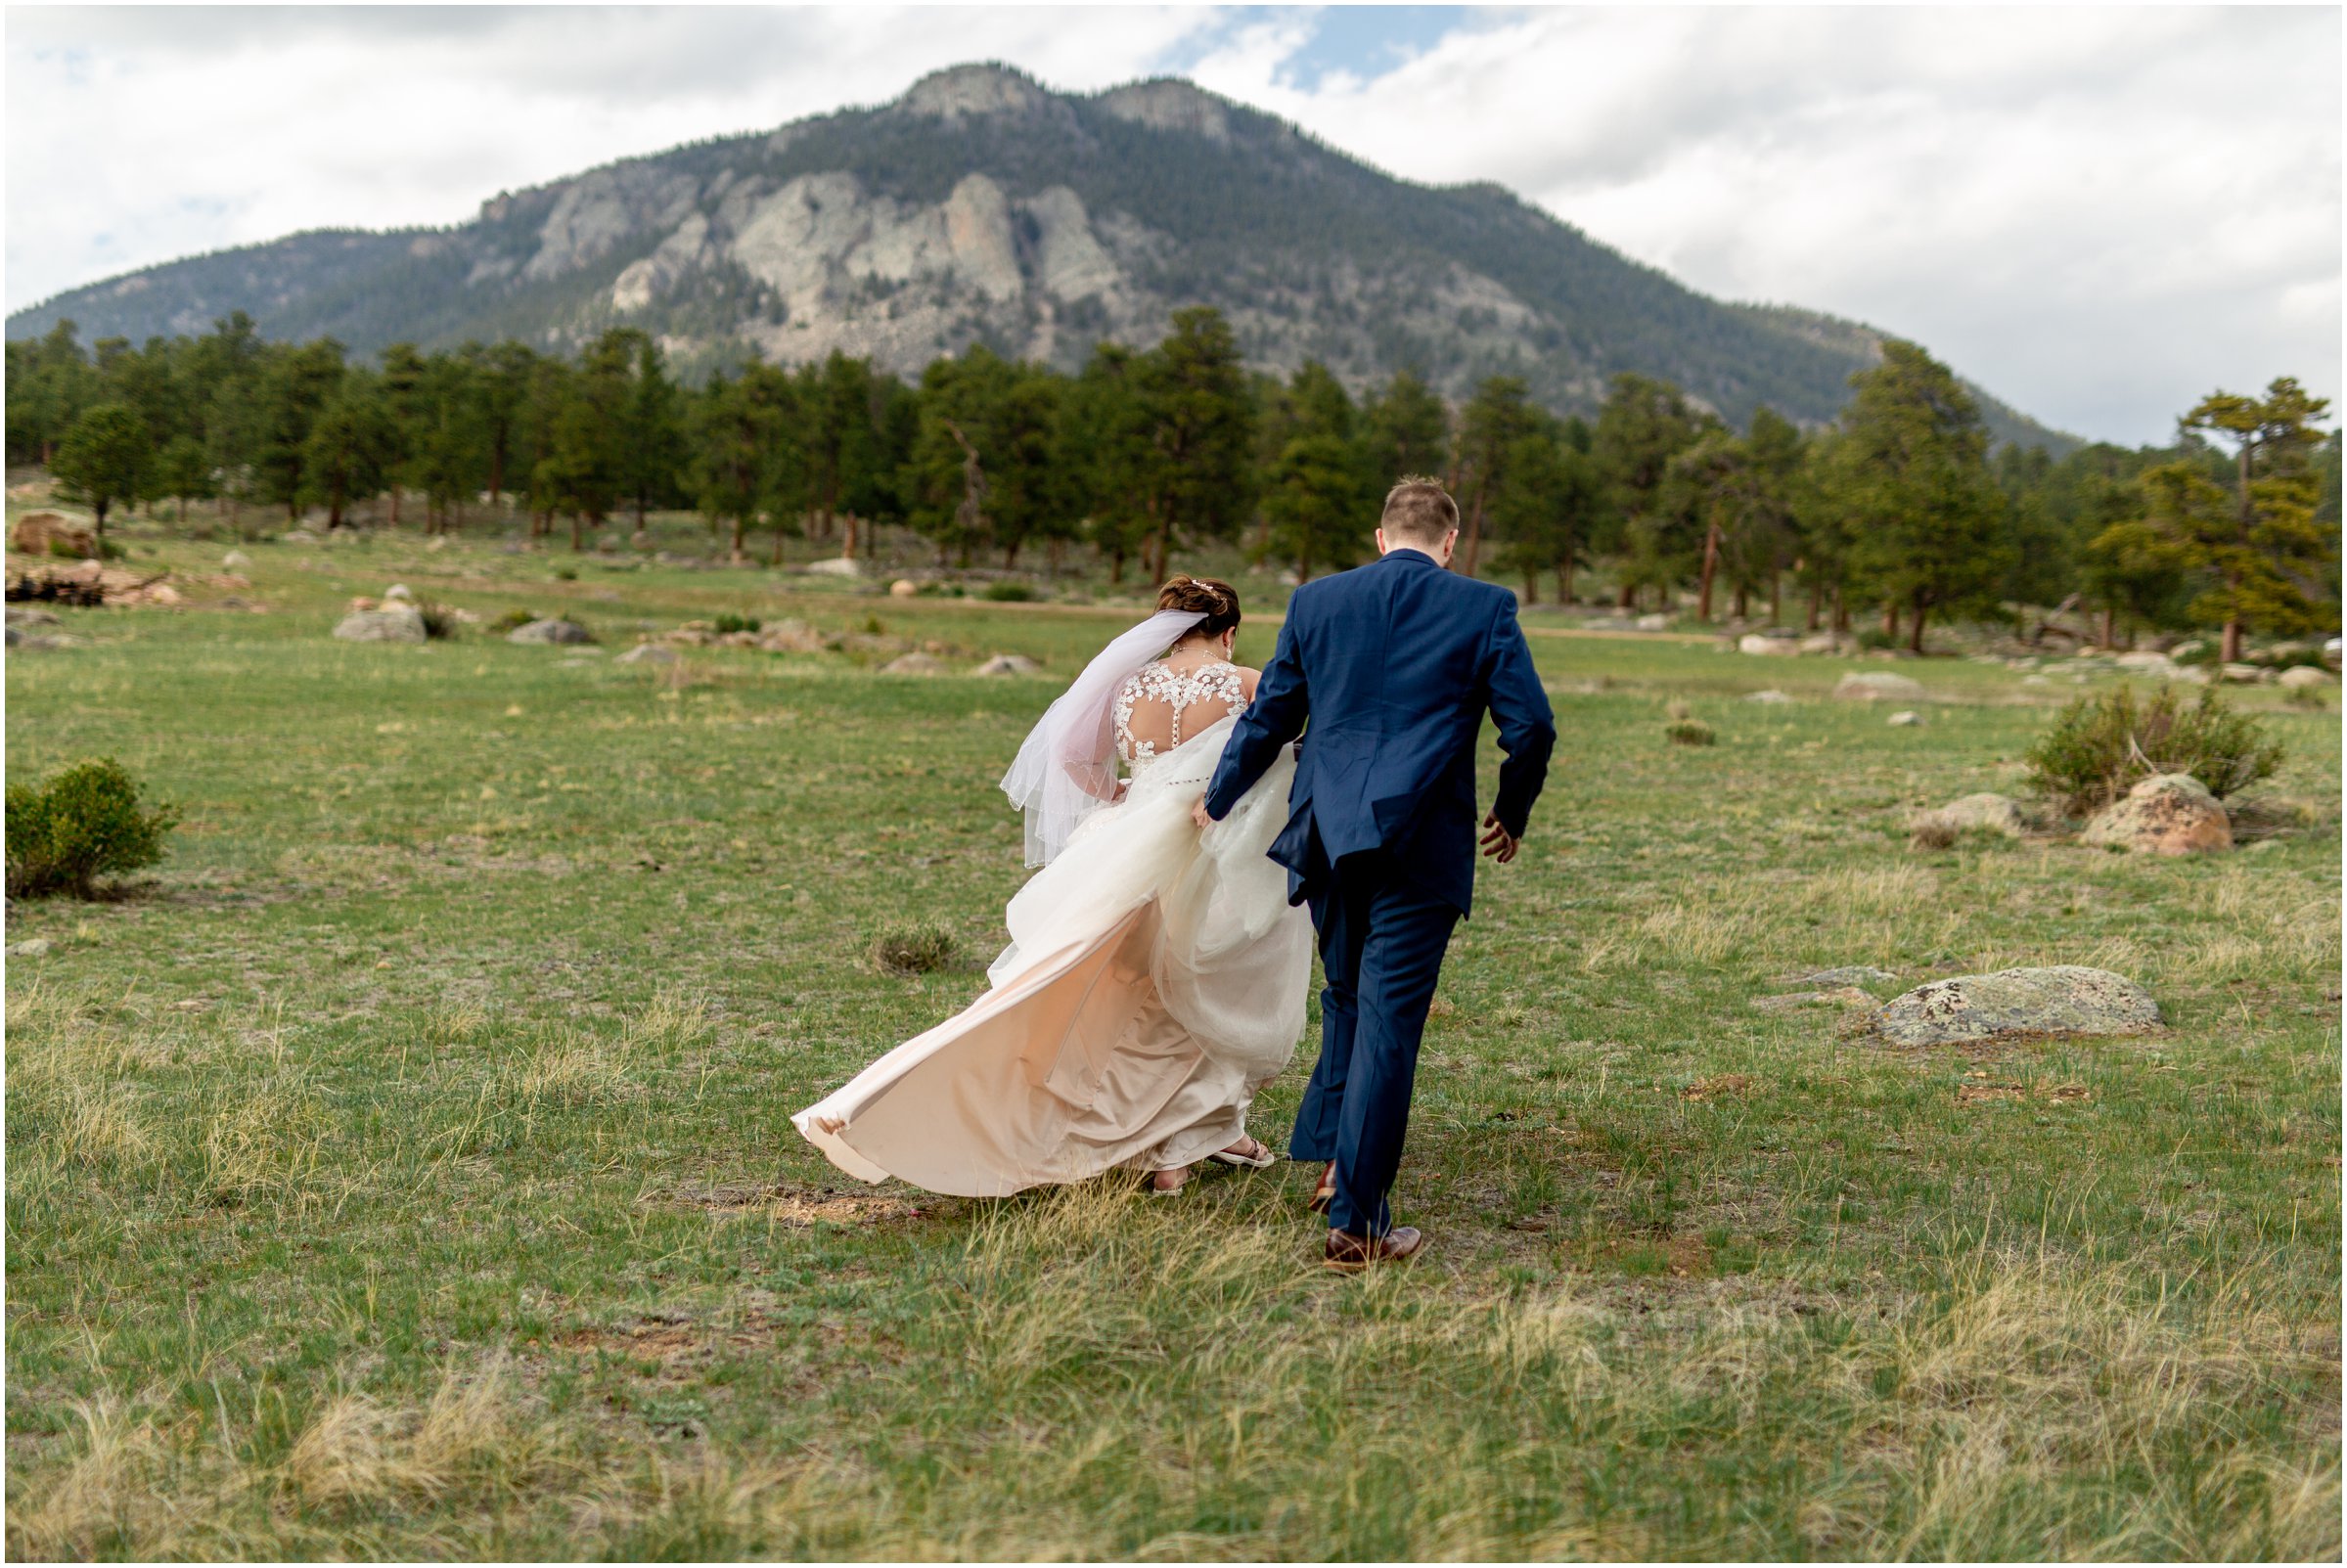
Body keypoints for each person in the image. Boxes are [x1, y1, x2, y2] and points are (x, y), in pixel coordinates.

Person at [795, 577, 1313, 1197]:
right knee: (1206, 992)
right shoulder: (1247, 683)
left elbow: (1070, 754)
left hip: (1128, 845)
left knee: (1127, 991)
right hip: (1210, 850)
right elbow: (1271, 755)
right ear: (1228, 633)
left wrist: (1126, 794)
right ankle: (1178, 1151)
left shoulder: (1127, 686)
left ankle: (1180, 1145)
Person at [1197, 478, 1556, 1270]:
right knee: (1387, 1022)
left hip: (1329, 833)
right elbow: (1530, 725)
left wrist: (1215, 797)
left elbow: (1272, 714)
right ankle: (1357, 1224)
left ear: (1380, 536)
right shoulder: (1485, 606)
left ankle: (1336, 1163)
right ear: (1450, 541)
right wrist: (1511, 811)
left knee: (1350, 998)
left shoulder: (1316, 600)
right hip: (1420, 842)